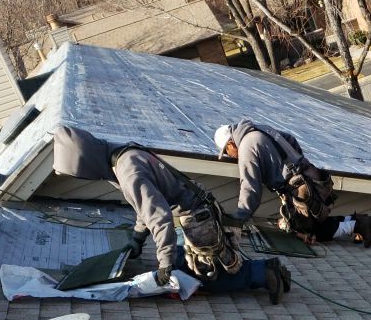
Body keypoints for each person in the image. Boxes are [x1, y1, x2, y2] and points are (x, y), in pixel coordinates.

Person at [52, 127, 292, 304]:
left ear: (85, 163)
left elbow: (158, 216)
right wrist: (137, 237)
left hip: (196, 219)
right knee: (186, 262)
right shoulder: (123, 155)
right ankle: (269, 268)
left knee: (197, 275)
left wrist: (164, 264)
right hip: (195, 212)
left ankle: (265, 273)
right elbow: (145, 204)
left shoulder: (128, 170)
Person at [213, 120, 371, 248]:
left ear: (230, 144)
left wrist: (239, 218)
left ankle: (358, 225)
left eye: (227, 153)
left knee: (309, 230)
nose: (231, 156)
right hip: (308, 174)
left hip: (300, 187)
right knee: (313, 220)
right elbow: (290, 138)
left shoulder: (246, 146)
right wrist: (296, 163)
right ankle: (357, 220)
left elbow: (250, 187)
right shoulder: (259, 129)